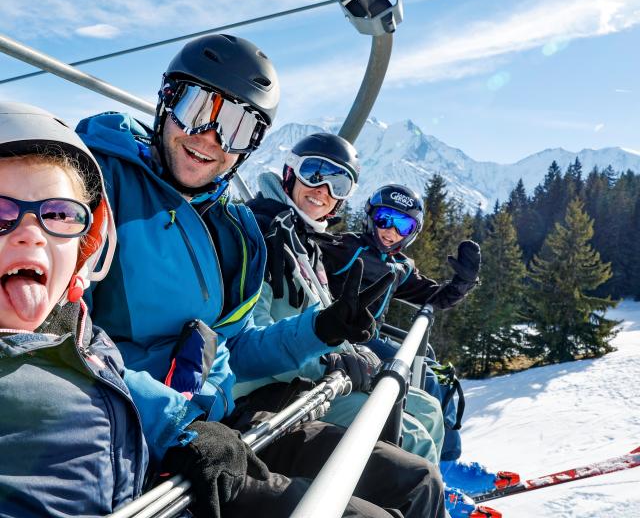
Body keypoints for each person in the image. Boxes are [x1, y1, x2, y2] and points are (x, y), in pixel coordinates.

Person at [77, 34, 446, 518]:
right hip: (140, 437)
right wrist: (177, 425)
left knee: (416, 483)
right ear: (166, 100)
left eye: (237, 125)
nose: (211, 136)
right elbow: (61, 338)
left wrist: (321, 330)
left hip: (226, 423)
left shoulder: (236, 229)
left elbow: (239, 347)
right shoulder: (99, 186)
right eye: (196, 107)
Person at [241, 133, 447, 468]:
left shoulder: (304, 240)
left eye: (339, 182)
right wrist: (332, 363)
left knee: (428, 408)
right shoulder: (267, 234)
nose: (323, 190)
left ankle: (433, 487)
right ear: (291, 172)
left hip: (319, 368)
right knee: (413, 438)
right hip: (282, 386)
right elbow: (252, 338)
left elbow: (428, 293)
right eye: (314, 172)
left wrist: (352, 354)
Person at [317, 184, 518, 505]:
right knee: (402, 382)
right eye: (385, 219)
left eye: (403, 226)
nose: (390, 231)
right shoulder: (345, 248)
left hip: (371, 340)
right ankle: (424, 477)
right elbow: (311, 243)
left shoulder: (400, 266)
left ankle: (446, 464)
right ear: (370, 217)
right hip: (338, 340)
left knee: (438, 379)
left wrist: (464, 282)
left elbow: (435, 297)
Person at [0, 101, 148, 516]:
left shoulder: (81, 337)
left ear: (86, 247)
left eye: (60, 214)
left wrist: (181, 431)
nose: (31, 235)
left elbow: (118, 388)